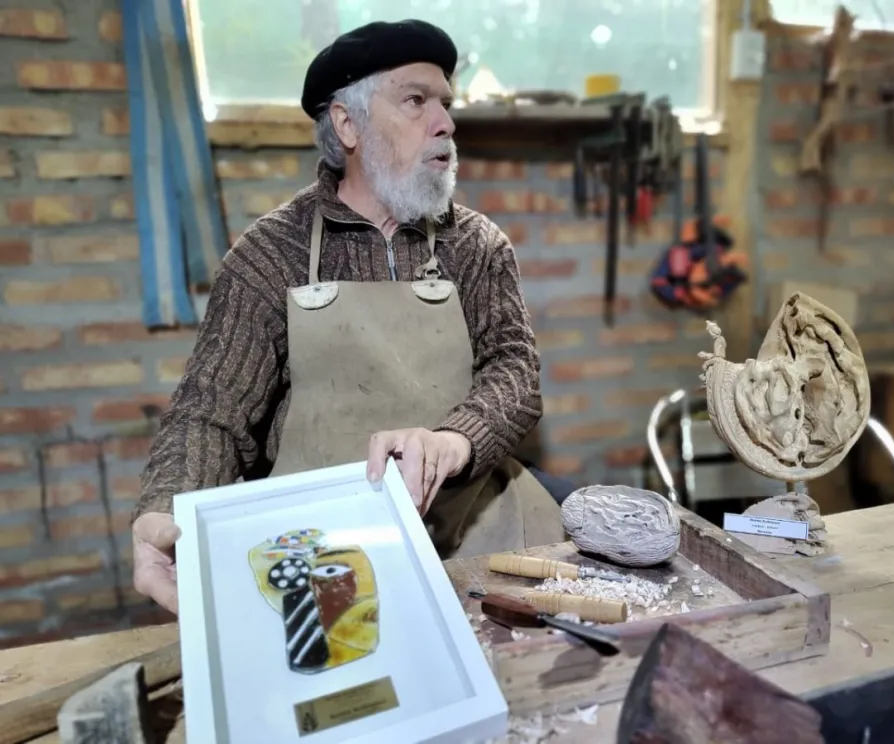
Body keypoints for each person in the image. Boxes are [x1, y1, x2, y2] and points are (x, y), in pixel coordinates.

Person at [131, 19, 570, 615]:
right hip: (329, 556)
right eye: (416, 101)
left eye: (446, 103)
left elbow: (515, 373)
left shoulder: (476, 245)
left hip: (474, 536)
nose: (445, 123)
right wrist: (166, 508)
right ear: (347, 124)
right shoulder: (271, 255)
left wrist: (453, 439)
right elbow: (211, 412)